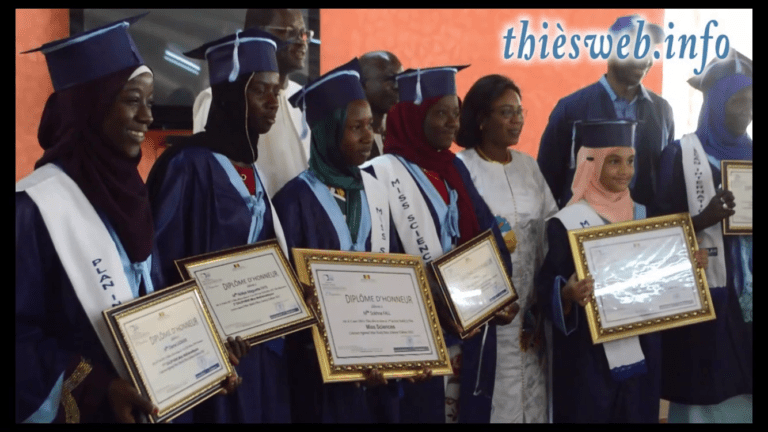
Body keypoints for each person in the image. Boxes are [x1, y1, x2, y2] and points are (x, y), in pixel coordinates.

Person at [17, 14, 162, 423]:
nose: (147, 117)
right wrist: (96, 386)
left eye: (149, 102)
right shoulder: (34, 208)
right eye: (132, 100)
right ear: (90, 107)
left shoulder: (132, 194)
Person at [146, 28, 290, 423]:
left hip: (255, 353)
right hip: (205, 356)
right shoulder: (186, 166)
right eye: (261, 89)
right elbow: (161, 266)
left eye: (277, 90)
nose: (274, 101)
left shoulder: (251, 169)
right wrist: (203, 337)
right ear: (231, 93)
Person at [365, 65, 518, 423]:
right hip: (421, 333)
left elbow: (486, 233)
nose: (453, 123)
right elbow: (384, 257)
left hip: (468, 326)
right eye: (441, 113)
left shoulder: (453, 167)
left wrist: (500, 294)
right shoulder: (381, 173)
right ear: (414, 117)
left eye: (456, 111)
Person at [535, 120, 708, 423]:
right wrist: (566, 292)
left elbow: (659, 275)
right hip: (589, 357)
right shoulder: (566, 223)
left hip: (643, 348)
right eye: (613, 161)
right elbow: (547, 284)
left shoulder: (646, 216)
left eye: (630, 161)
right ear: (590, 163)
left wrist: (687, 266)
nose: (625, 171)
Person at [273, 58, 403, 423]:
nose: (368, 137)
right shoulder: (292, 202)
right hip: (317, 377)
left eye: (371, 126)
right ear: (329, 132)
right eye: (356, 127)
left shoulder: (376, 191)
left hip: (376, 373)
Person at [655, 50, 752, 423]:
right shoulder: (680, 155)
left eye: (751, 102)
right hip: (707, 295)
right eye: (737, 101)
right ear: (715, 103)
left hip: (749, 300)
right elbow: (658, 232)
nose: (746, 111)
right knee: (705, 395)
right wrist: (703, 219)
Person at [455, 74, 557, 423]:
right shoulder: (463, 167)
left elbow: (549, 230)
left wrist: (547, 292)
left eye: (519, 110)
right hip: (489, 315)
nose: (517, 119)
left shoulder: (528, 166)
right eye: (506, 112)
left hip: (531, 310)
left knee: (533, 394)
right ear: (482, 119)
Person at [537, 14, 674, 215]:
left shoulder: (662, 111)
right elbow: (546, 182)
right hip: (587, 232)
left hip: (643, 232)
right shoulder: (571, 109)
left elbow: (664, 180)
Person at [193, 9, 311, 196]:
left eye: (303, 33)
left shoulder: (303, 98)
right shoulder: (220, 100)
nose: (301, 41)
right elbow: (206, 174)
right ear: (256, 32)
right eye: (288, 31)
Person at [359, 51, 403, 159]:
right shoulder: (350, 143)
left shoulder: (400, 138)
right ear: (363, 85)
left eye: (401, 79)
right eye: (391, 79)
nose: (398, 86)